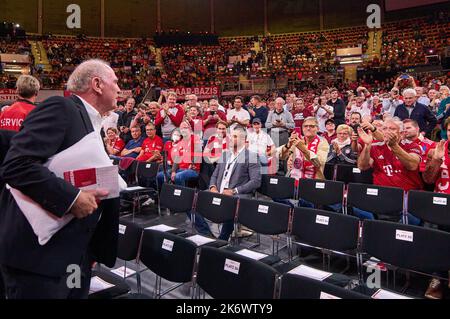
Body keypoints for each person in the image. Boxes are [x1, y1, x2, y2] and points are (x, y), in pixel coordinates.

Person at [0, 59, 121, 299]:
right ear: (97, 84)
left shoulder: (93, 123)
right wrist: (72, 198)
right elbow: (16, 164)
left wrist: (91, 252)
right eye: (115, 82)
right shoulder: (62, 108)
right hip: (39, 262)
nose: (119, 89)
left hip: (75, 256)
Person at [198, 127, 261, 241]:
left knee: (230, 204)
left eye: (235, 136)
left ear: (244, 139)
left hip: (235, 195)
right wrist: (212, 187)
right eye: (231, 136)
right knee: (193, 200)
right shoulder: (225, 154)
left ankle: (222, 239)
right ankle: (207, 234)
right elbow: (214, 175)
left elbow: (256, 181)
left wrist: (234, 191)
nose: (231, 138)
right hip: (218, 191)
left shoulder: (251, 156)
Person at [420, 117, 450, 300]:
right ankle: (437, 277)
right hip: (442, 205)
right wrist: (436, 161)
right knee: (437, 241)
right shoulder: (437, 150)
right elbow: (429, 180)